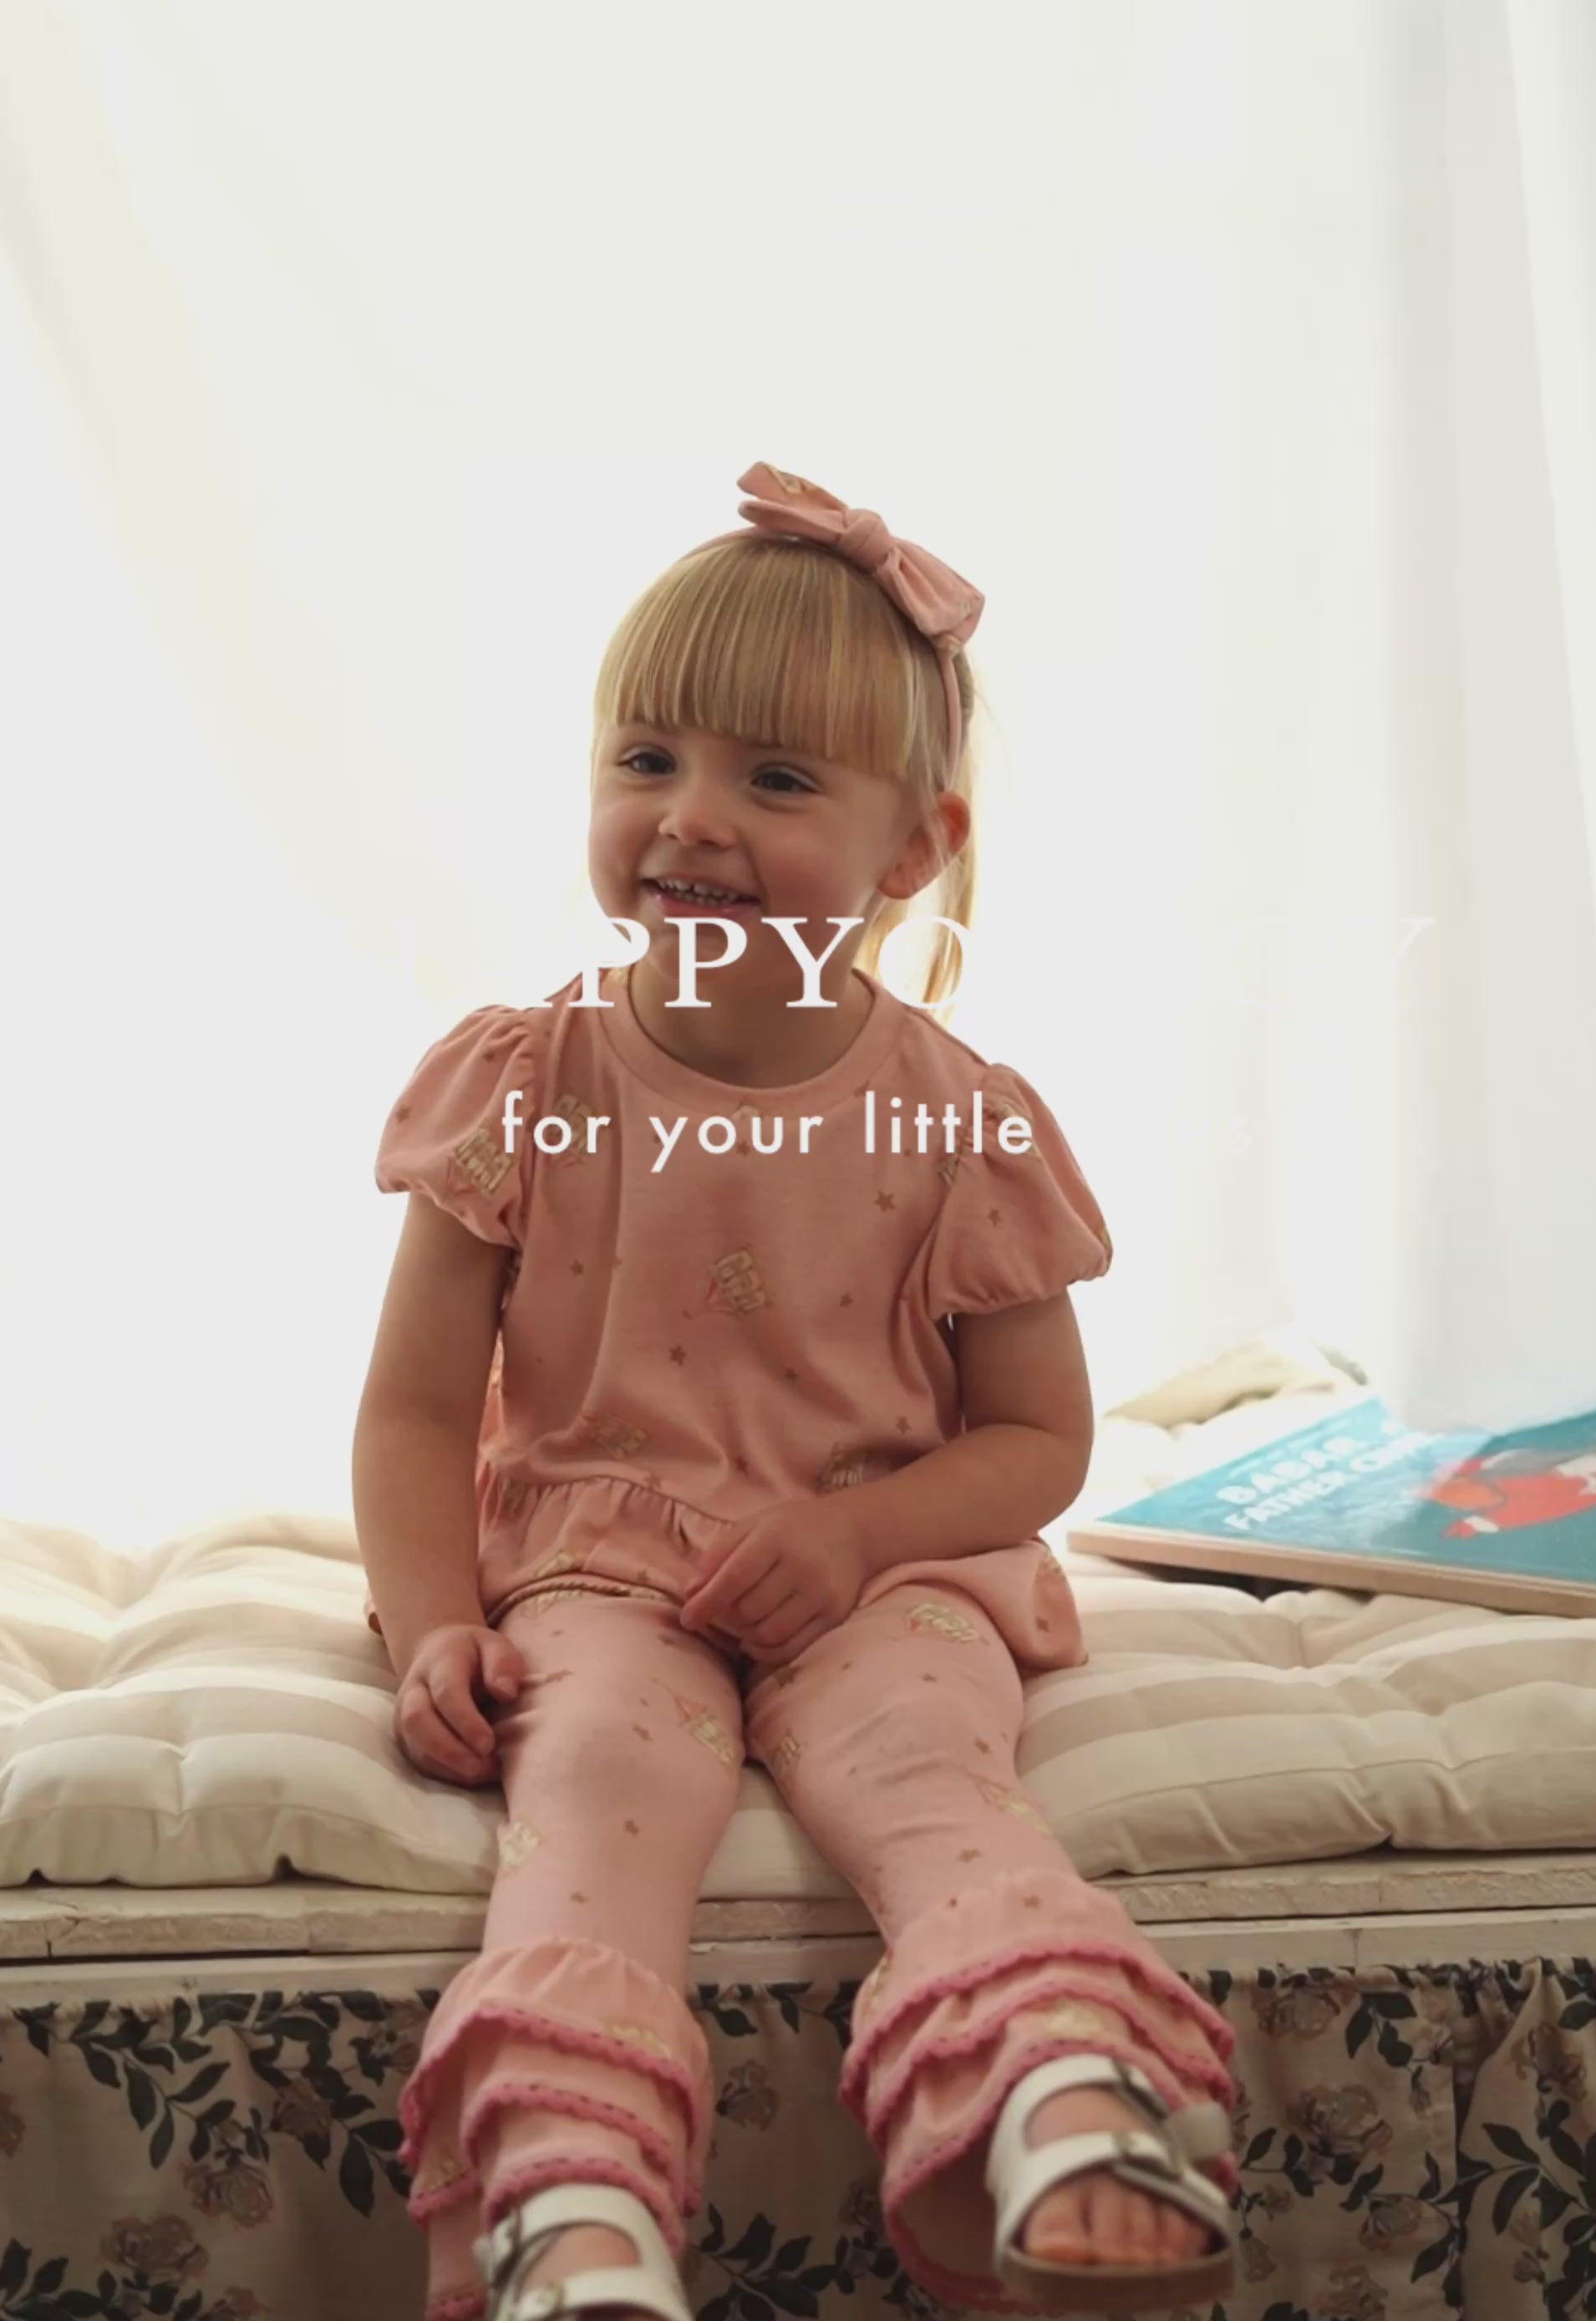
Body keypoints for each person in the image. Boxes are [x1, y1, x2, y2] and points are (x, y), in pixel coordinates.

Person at [353, 463, 1240, 2321]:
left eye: (773, 779)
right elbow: (421, 1412)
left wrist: (856, 1537)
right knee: (595, 1767)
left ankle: (1063, 2094)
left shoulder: (961, 1119)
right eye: (647, 758)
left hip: (879, 1563)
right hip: (601, 1565)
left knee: (924, 1766)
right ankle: (568, 2197)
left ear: (915, 846)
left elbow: (1039, 1443)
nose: (689, 817)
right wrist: (434, 1622)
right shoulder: (522, 1082)